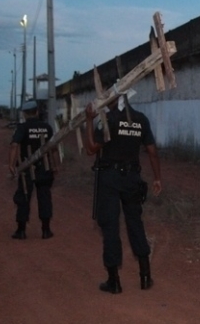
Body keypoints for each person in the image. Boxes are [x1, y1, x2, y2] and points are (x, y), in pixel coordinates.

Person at [83, 96, 162, 294]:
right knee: (135, 223)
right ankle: (145, 277)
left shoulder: (110, 120)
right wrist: (157, 178)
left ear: (113, 99)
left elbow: (91, 149)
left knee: (110, 227)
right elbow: (152, 151)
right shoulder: (141, 119)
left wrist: (89, 120)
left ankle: (114, 281)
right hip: (132, 177)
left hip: (110, 177)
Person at [8, 100, 58, 240]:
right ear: (37, 111)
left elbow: (14, 145)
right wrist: (56, 165)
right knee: (45, 197)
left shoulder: (22, 128)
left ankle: (21, 231)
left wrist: (11, 164)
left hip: (27, 169)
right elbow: (53, 148)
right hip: (45, 168)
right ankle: (46, 230)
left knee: (23, 197)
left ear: (24, 113)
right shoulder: (47, 127)